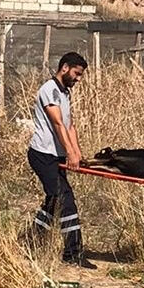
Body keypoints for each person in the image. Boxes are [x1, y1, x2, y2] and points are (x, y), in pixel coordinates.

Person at [26, 52, 92, 269]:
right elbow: (57, 124)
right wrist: (70, 153)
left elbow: (69, 125)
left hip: (56, 155)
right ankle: (73, 253)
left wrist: (77, 152)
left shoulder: (64, 92)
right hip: (43, 154)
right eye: (76, 73)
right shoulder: (50, 90)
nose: (78, 79)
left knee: (54, 199)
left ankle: (32, 239)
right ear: (65, 68)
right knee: (65, 199)